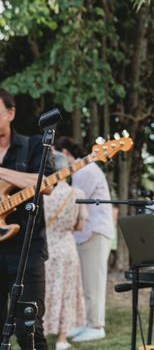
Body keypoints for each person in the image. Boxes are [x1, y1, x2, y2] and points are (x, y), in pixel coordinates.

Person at [0, 88, 55, 350]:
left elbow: (45, 184)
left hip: (27, 251)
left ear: (10, 113)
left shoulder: (35, 145)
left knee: (29, 330)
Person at [54, 136, 114, 343]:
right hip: (84, 234)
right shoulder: (82, 170)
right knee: (83, 281)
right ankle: (84, 322)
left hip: (94, 233)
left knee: (93, 281)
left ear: (64, 153)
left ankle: (96, 326)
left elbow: (77, 202)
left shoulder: (86, 170)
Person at [42, 151, 87, 350]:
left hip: (44, 247)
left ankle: (39, 333)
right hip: (67, 247)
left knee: (43, 292)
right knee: (67, 292)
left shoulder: (41, 194)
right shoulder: (76, 194)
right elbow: (79, 226)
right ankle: (62, 339)